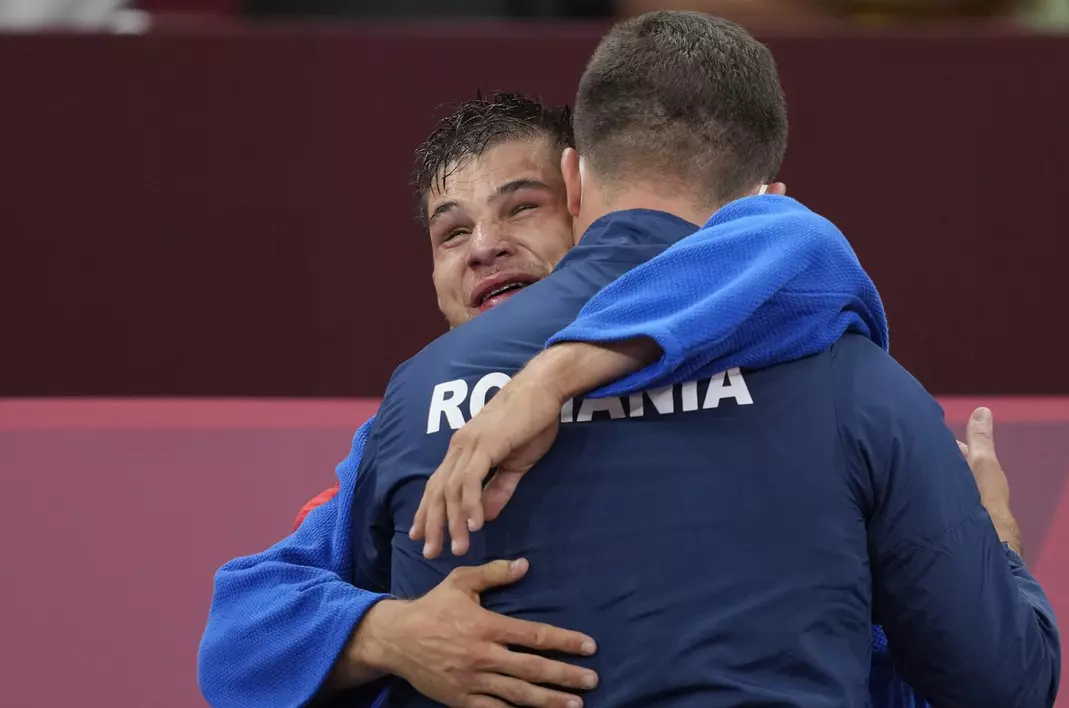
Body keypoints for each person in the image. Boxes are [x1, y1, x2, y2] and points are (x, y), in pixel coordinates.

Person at [359, 10, 1059, 707]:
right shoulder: (865, 388)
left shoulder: (422, 391)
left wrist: (377, 633)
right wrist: (994, 544)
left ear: (572, 183)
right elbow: (1004, 686)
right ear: (765, 201)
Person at [197, 89, 915, 708]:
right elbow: (237, 635)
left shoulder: (757, 349)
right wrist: (393, 634)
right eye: (451, 232)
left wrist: (554, 377)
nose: (484, 246)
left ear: (585, 208)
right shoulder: (412, 423)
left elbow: (794, 239)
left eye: (521, 209)